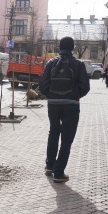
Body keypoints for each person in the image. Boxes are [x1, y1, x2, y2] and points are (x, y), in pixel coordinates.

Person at [38, 36, 90, 183]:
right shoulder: (78, 64)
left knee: (53, 132)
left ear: (59, 48)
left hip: (53, 105)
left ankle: (49, 165)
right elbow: (85, 87)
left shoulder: (51, 63)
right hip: (71, 105)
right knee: (66, 139)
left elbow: (42, 85)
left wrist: (51, 95)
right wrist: (74, 96)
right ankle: (59, 173)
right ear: (72, 48)